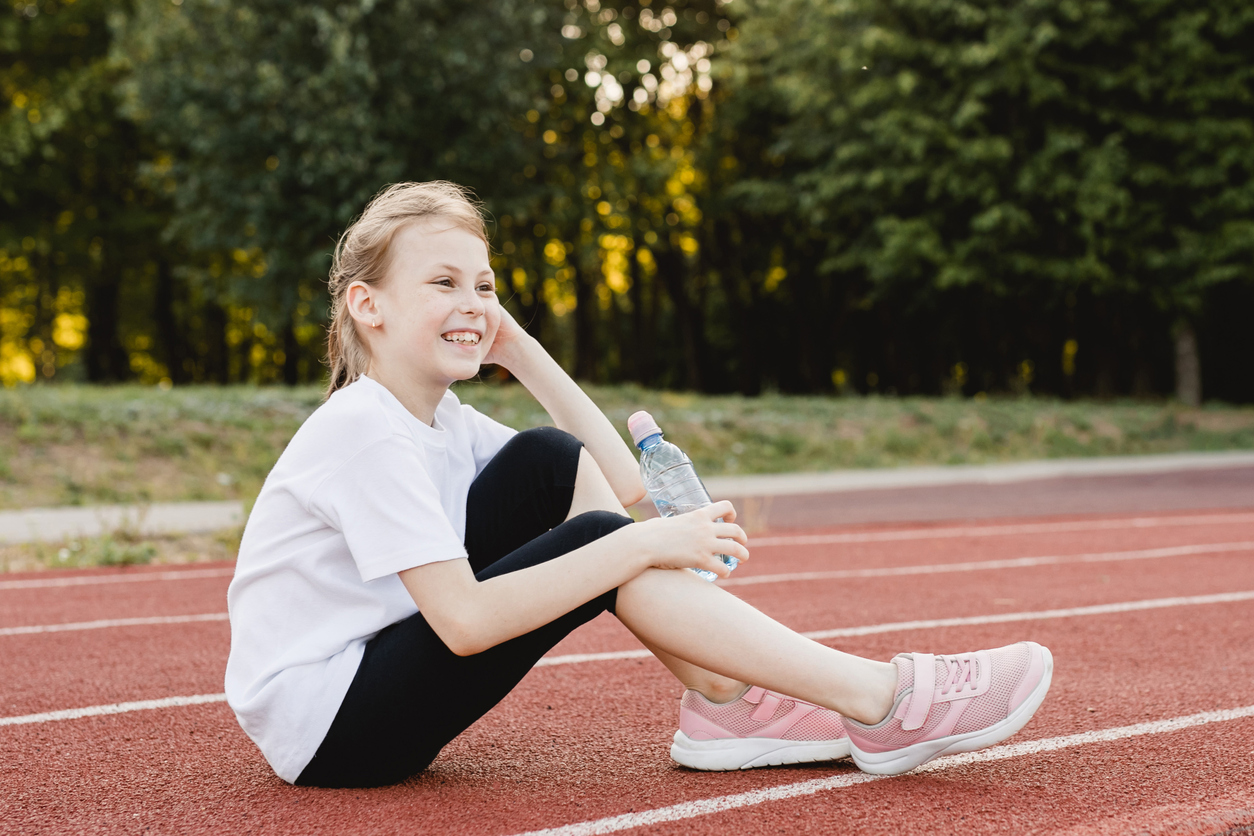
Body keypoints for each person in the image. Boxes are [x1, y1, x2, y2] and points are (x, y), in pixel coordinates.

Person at [224, 181, 1053, 789]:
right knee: (605, 544)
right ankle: (879, 700)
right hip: (334, 729)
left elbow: (609, 481)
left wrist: (517, 350)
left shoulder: (440, 419)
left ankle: (724, 700)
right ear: (368, 307)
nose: (472, 301)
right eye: (442, 284)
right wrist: (649, 543)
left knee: (549, 461)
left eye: (484, 285)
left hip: (379, 675)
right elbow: (469, 621)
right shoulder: (363, 427)